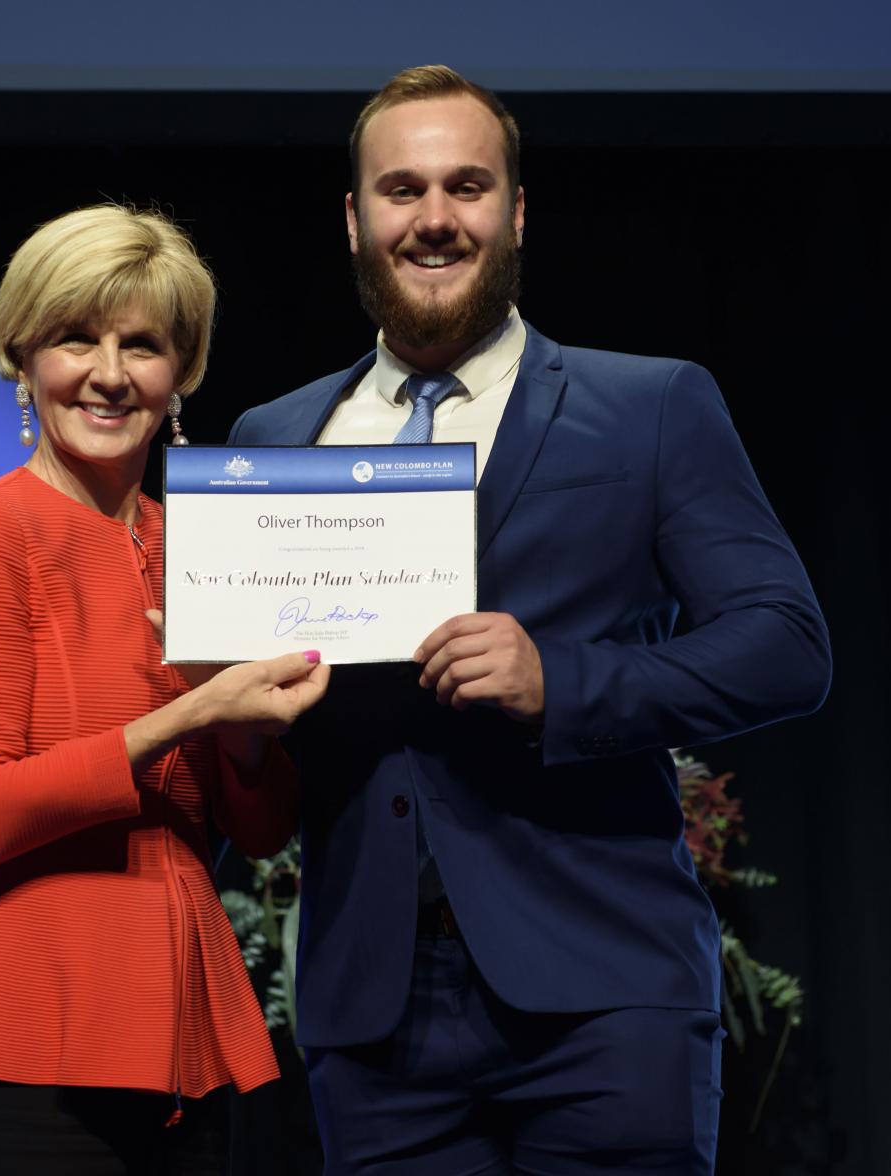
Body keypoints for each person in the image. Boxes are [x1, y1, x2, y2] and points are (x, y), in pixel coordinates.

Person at [227, 66, 831, 1174]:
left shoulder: (650, 405)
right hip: (373, 1016)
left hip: (607, 994)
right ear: (355, 220)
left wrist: (565, 680)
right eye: (402, 189)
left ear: (516, 210)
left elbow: (787, 642)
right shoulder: (276, 434)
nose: (436, 217)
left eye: (468, 185)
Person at [0, 204, 330, 1176]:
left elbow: (257, 833)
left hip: (187, 1048)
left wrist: (248, 735)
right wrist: (190, 714)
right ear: (24, 357)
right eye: (76, 339)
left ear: (183, 374)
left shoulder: (206, 546)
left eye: (143, 344)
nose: (110, 373)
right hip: (23, 1057)